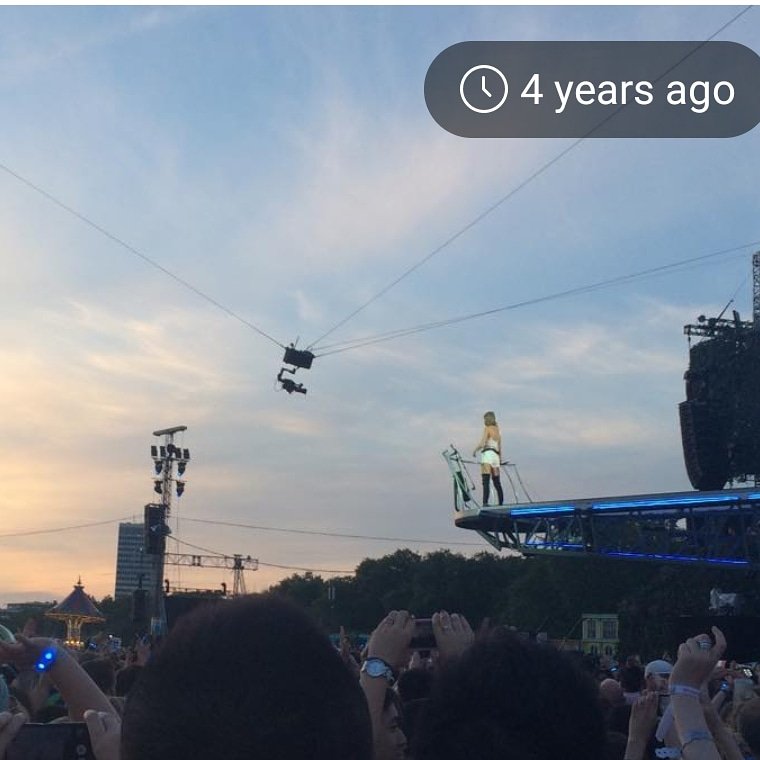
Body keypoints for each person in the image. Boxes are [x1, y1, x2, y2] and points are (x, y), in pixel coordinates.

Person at [473, 411, 504, 506]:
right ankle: (501, 502)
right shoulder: (498, 430)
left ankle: (485, 502)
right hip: (495, 456)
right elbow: (499, 447)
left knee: (486, 480)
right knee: (497, 481)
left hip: (487, 454)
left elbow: (482, 443)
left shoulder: (487, 429)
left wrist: (475, 450)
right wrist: (500, 459)